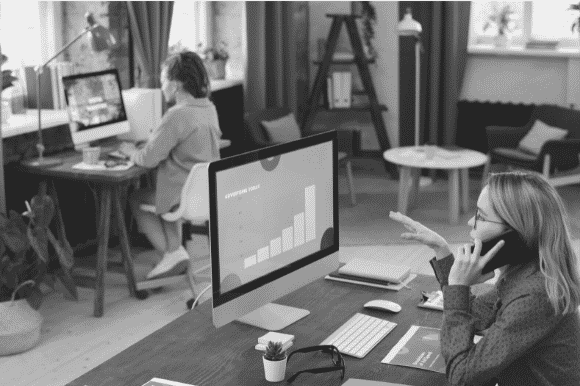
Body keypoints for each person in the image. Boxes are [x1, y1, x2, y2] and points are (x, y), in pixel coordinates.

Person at [389, 171, 580, 386]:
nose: (471, 221)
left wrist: (459, 285)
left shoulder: (535, 295)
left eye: (480, 216)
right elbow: (474, 315)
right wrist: (441, 250)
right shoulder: (523, 272)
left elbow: (462, 377)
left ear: (513, 233)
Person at [120, 51, 221, 280]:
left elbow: (148, 158)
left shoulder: (176, 115)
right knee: (161, 194)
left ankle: (172, 253)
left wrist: (130, 152)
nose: (162, 85)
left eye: (164, 80)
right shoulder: (208, 108)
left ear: (175, 85)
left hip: (179, 195)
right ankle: (174, 253)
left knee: (136, 198)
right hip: (204, 194)